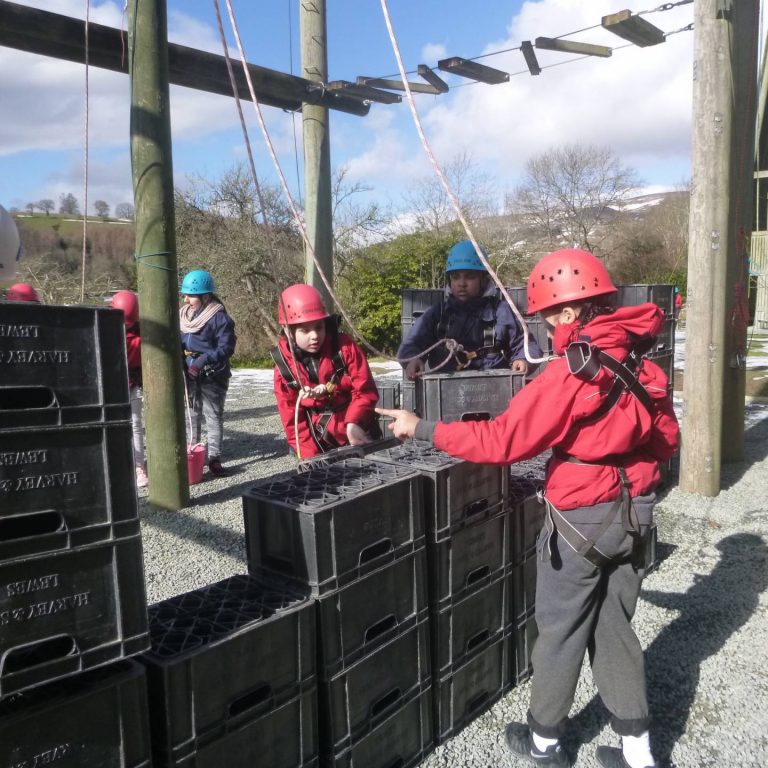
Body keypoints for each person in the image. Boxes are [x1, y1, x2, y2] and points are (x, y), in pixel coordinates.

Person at [378, 249, 680, 768]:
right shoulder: (642, 363)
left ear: (569, 312)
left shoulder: (571, 374)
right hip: (634, 512)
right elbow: (666, 440)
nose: (546, 327)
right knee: (614, 627)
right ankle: (638, 752)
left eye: (548, 317)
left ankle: (544, 744)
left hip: (582, 520)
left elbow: (502, 441)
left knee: (560, 631)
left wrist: (421, 427)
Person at [397, 240, 543, 379]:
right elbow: (411, 345)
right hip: (446, 390)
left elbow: (527, 346)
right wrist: (413, 360)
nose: (461, 283)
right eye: (455, 277)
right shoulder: (438, 314)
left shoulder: (500, 311)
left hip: (493, 388)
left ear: (483, 279)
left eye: (470, 277)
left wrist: (523, 359)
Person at [272, 283, 380, 459]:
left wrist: (354, 422)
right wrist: (310, 458)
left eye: (319, 327)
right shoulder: (284, 368)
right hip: (317, 440)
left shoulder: (344, 348)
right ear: (288, 331)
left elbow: (365, 390)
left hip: (357, 430)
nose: (314, 336)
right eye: (305, 330)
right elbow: (292, 419)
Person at [179, 269, 236, 477]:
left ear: (205, 296)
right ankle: (193, 451)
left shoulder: (220, 319)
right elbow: (180, 342)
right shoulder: (184, 317)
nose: (186, 300)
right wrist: (182, 362)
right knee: (192, 414)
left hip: (213, 375)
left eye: (190, 296)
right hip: (190, 373)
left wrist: (202, 360)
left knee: (213, 416)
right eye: (185, 295)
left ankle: (214, 458)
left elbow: (226, 348)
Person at [111, 291, 147, 488]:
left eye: (129, 323)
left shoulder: (142, 335)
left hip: (133, 384)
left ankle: (139, 467)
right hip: (113, 385)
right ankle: (119, 464)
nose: (126, 326)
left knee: (135, 425)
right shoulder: (106, 331)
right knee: (115, 426)